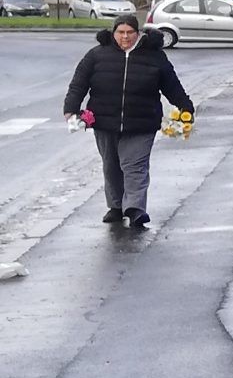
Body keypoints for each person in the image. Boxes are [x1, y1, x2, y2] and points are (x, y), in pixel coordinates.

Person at [63, 15, 193, 230]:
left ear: (138, 33)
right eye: (120, 32)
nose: (125, 37)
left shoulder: (155, 56)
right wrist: (71, 109)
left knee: (135, 166)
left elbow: (171, 85)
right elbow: (79, 84)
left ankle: (135, 209)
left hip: (142, 122)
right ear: (113, 33)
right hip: (105, 121)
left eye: (129, 32)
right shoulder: (96, 55)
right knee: (111, 166)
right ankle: (115, 206)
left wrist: (185, 106)